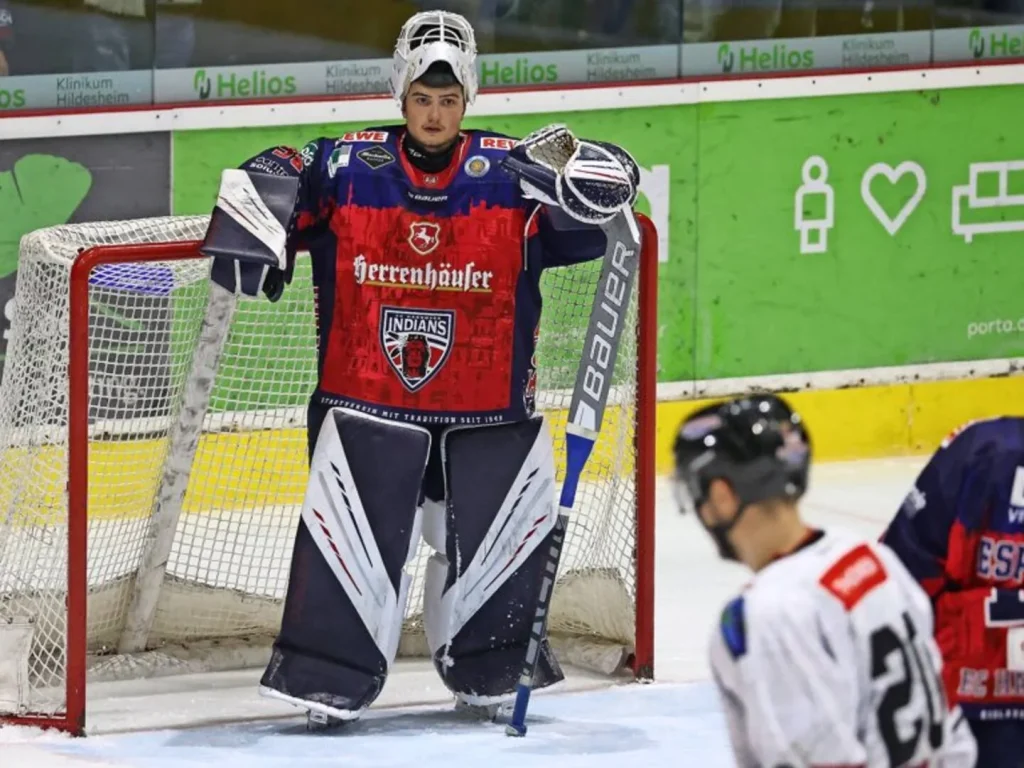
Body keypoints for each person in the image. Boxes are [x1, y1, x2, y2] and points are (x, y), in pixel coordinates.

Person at [197, 10, 640, 730]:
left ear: (468, 100)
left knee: (486, 548)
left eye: (449, 101)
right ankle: (329, 673)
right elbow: (274, 168)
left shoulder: (511, 170)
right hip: (367, 402)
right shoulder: (345, 165)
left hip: (488, 406)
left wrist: (586, 177)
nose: (435, 115)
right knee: (361, 545)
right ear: (401, 94)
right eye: (422, 99)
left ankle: (489, 665)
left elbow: (612, 186)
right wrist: (256, 211)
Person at [672, 394, 977, 767]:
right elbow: (953, 734)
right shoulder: (873, 560)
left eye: (698, 494)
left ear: (722, 496)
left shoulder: (764, 615)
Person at [881, 417, 1024, 768]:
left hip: (961, 701)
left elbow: (901, 574)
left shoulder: (981, 447)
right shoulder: (982, 450)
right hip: (964, 706)